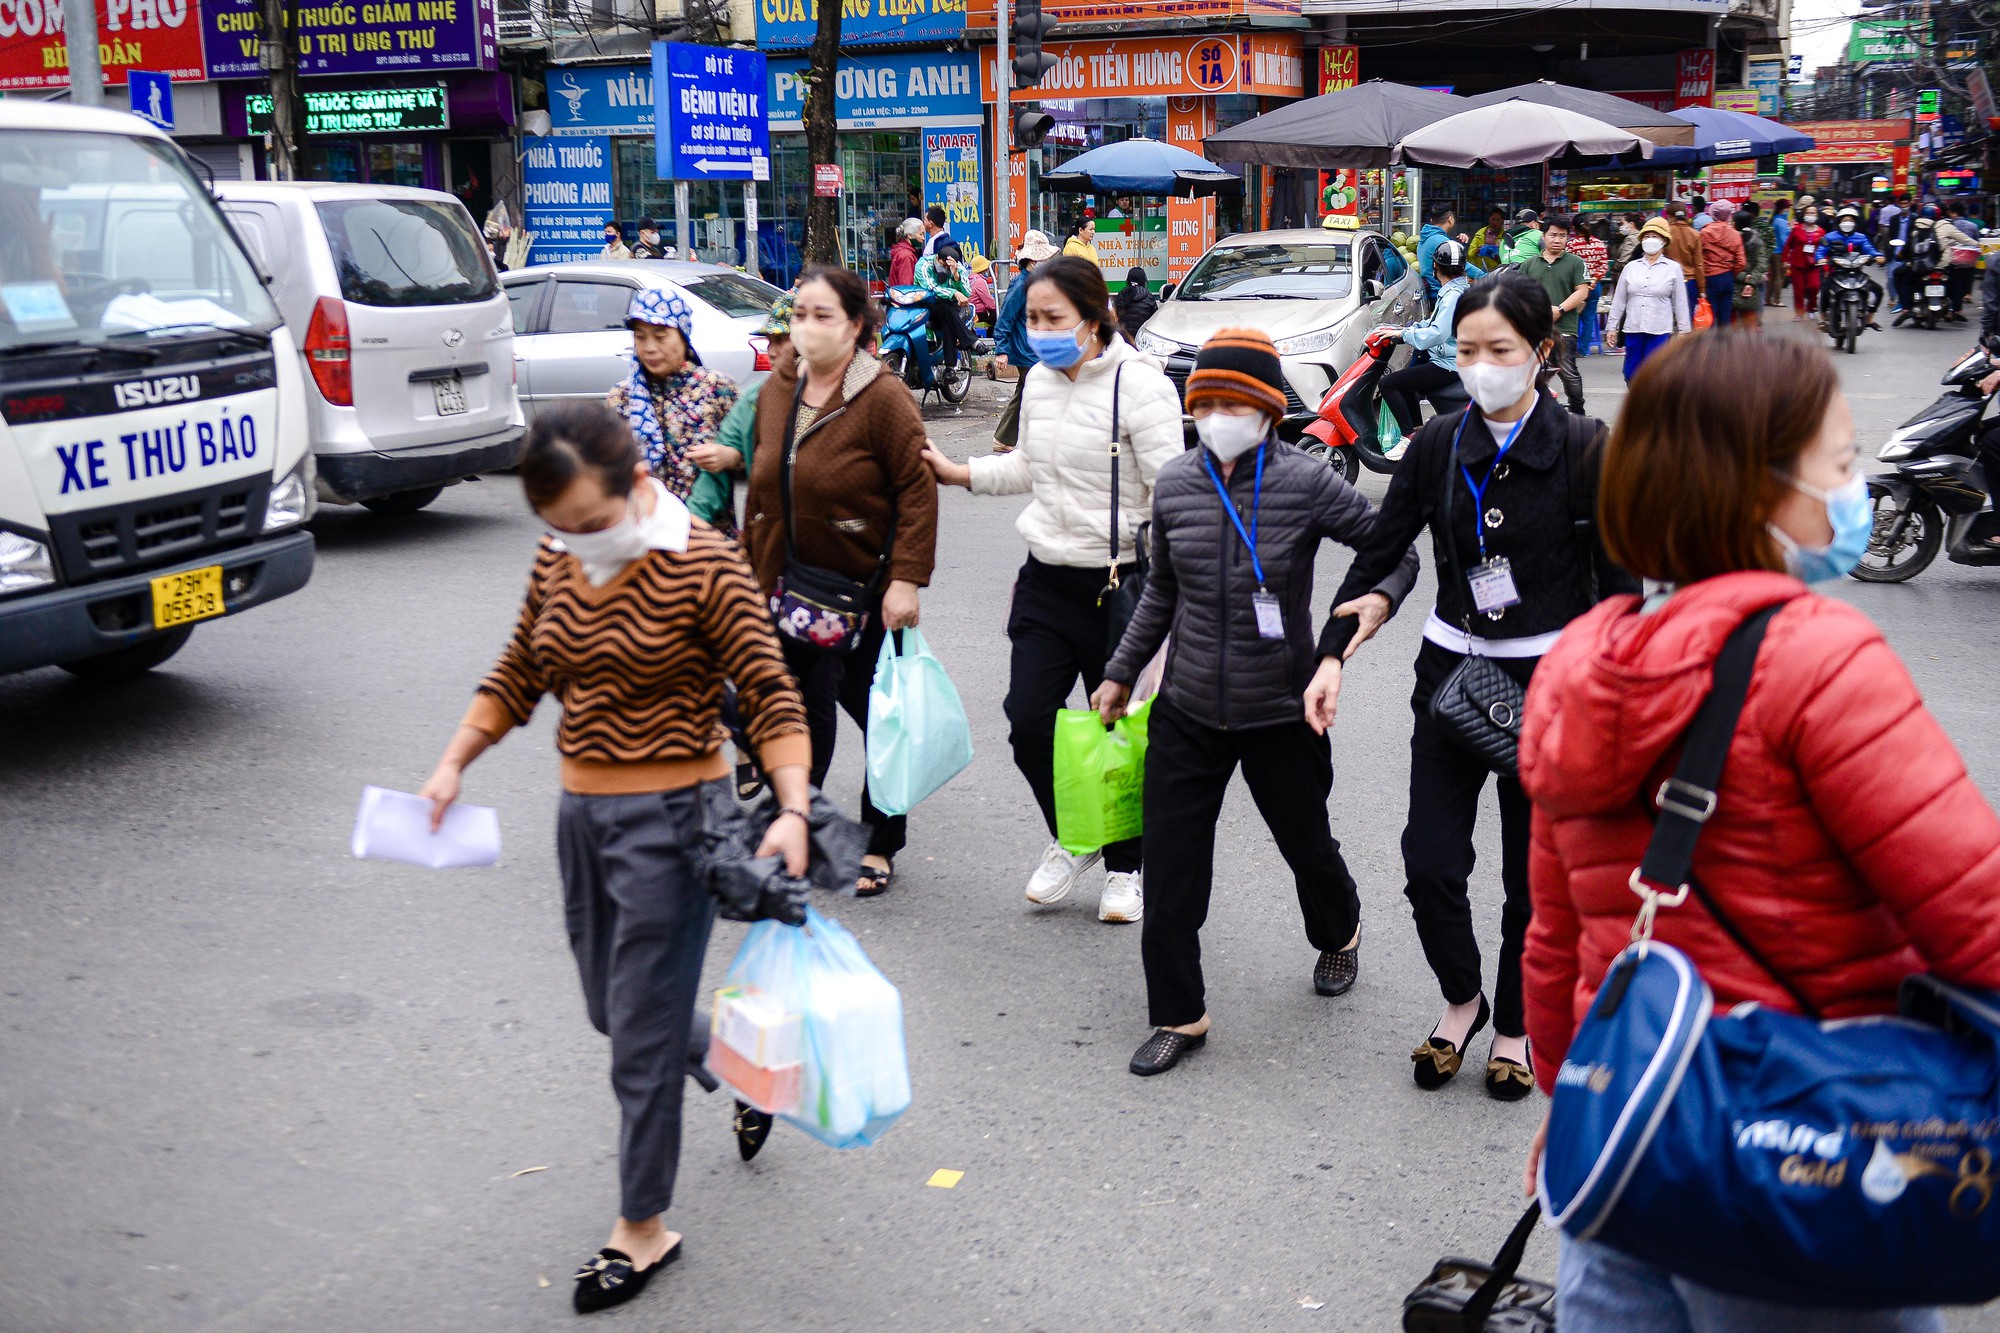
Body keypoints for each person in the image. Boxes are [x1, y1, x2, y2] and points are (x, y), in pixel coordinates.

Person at [1518, 329, 2000, 1333]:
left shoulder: (1578, 661)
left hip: (1632, 1152)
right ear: (1756, 490)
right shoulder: (1816, 653)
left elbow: (1557, 940)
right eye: (1837, 462)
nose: (1854, 486)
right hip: (1796, 1162)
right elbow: (1974, 914)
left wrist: (1573, 1108)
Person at [419, 401, 812, 1316]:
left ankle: (643, 1225)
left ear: (638, 487)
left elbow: (768, 689)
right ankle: (752, 1058)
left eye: (591, 524)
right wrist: (452, 762)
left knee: (637, 1036)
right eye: (558, 528)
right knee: (614, 1007)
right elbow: (519, 668)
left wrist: (792, 805)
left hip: (678, 820)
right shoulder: (562, 554)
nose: (574, 542)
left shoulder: (702, 560)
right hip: (582, 812)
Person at [1325, 271, 1635, 1101]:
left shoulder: (1584, 448)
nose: (1480, 366)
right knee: (1429, 862)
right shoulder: (1435, 446)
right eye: (1465, 350)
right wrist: (1337, 641)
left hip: (1554, 687)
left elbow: (1621, 586)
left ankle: (1513, 1024)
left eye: (1499, 350)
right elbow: (1385, 550)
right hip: (1452, 679)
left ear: (1540, 352)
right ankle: (1461, 1000)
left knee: (1531, 881)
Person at [1088, 327, 1419, 1077]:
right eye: (1209, 401)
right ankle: (1180, 1012)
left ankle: (1340, 931)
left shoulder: (1305, 481)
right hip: (1188, 708)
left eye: (1238, 401)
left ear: (1269, 409)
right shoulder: (1174, 483)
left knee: (1307, 847)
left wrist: (1367, 609)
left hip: (1282, 707)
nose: (1221, 414)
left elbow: (1392, 547)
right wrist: (1120, 672)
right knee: (1172, 869)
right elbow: (1161, 592)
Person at [921, 258, 1183, 924]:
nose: (1040, 332)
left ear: (1097, 319)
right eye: (1032, 319)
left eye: (1053, 319)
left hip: (1118, 582)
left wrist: (1178, 593)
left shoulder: (1141, 387)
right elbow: (1029, 467)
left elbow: (1172, 497)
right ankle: (1077, 833)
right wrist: (959, 472)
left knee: (1114, 730)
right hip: (1045, 575)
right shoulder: (1038, 380)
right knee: (1028, 719)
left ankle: (1127, 867)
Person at [743, 266, 938, 897]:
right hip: (785, 582)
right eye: (799, 314)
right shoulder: (776, 390)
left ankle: (880, 840)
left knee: (880, 718)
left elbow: (916, 488)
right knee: (789, 709)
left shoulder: (881, 397)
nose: (806, 327)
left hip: (863, 591)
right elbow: (763, 485)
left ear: (856, 326)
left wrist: (905, 580)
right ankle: (792, 825)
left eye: (823, 316)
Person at [606, 289, 740, 534]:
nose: (649, 348)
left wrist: (730, 457)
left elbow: (759, 454)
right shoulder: (622, 397)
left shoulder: (717, 389)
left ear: (683, 336)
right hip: (644, 536)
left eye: (660, 337)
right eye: (641, 337)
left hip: (707, 536)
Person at [704, 292, 794, 532]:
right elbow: (725, 451)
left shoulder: (843, 392)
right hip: (770, 534)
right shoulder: (755, 399)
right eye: (769, 341)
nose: (772, 352)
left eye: (782, 340)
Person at [1381, 240, 1469, 438]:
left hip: (1448, 364)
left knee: (1387, 383)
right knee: (1407, 381)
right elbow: (1433, 322)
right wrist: (1404, 330)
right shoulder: (1457, 290)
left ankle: (1408, 437)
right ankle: (1417, 432)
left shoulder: (1452, 295)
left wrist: (1404, 335)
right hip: (1455, 360)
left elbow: (1438, 332)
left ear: (1435, 266)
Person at [991, 229, 1059, 454]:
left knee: (1024, 393)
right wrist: (1001, 349)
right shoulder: (1021, 285)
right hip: (1025, 349)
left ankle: (1004, 438)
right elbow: (1005, 318)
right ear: (1034, 259)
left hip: (1033, 348)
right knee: (1041, 390)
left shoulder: (1034, 281)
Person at [1605, 217, 1692, 382]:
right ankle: (1638, 399)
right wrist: (1612, 327)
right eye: (1646, 236)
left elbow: (1680, 302)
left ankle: (1650, 404)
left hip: (1659, 329)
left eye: (1655, 236)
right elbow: (1619, 300)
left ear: (1664, 241)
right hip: (1633, 327)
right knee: (1630, 372)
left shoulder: (1673, 269)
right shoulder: (1631, 267)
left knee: (1655, 372)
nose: (1650, 240)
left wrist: (1683, 331)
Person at [1521, 217, 1591, 415]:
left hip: (1565, 329)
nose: (1557, 239)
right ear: (1543, 236)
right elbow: (1521, 293)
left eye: (1562, 236)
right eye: (1553, 235)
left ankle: (1578, 412)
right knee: (1532, 374)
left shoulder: (1575, 263)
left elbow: (1582, 292)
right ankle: (1534, 412)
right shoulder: (1529, 264)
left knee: (1568, 374)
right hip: (1534, 330)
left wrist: (1559, 310)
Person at [915, 241, 979, 376]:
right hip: (926, 305)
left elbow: (967, 292)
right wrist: (954, 292)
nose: (945, 268)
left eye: (948, 266)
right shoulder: (923, 264)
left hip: (948, 307)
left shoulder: (957, 267)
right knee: (946, 310)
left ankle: (949, 369)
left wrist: (956, 276)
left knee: (947, 314)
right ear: (937, 259)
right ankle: (972, 341)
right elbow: (930, 288)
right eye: (943, 265)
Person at [1818, 205, 1885, 331]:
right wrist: (1821, 258)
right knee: (1825, 292)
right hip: (1836, 272)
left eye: (1851, 220)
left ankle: (1869, 318)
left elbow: (1869, 249)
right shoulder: (1830, 237)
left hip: (1856, 271)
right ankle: (1823, 319)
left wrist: (1878, 256)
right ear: (1839, 222)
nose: (1847, 223)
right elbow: (1821, 250)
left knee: (1878, 290)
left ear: (1855, 223)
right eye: (1845, 220)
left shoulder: (1861, 237)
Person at [1697, 199, 1745, 329]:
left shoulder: (1704, 233)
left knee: (1710, 316)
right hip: (1727, 277)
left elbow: (1698, 258)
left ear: (1713, 214)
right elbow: (1741, 262)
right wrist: (1731, 271)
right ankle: (1724, 347)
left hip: (1710, 277)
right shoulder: (1735, 234)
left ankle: (1710, 346)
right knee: (1725, 317)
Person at [1568, 222, 1609, 355]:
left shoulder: (1572, 245)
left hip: (1576, 287)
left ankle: (1571, 347)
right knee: (1589, 318)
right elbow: (1603, 266)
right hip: (1594, 286)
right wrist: (1594, 279)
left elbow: (1567, 266)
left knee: (1572, 317)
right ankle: (1583, 350)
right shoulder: (1599, 244)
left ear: (1574, 228)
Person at [1783, 204, 1826, 318]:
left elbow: (1824, 248)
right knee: (1799, 290)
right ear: (1804, 215)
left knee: (1814, 286)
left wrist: (1825, 263)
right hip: (1797, 263)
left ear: (1817, 216)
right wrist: (1785, 259)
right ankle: (1799, 312)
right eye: (1808, 213)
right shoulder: (1797, 229)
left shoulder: (1821, 231)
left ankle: (1811, 307)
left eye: (1813, 213)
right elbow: (1788, 245)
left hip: (1814, 264)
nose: (1811, 215)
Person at [1941, 203, 1980, 322]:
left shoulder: (1949, 225)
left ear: (1954, 213)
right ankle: (1958, 309)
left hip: (1953, 260)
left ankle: (1950, 310)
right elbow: (1976, 242)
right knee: (1963, 284)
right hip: (1968, 261)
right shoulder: (1973, 226)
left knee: (1952, 285)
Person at [1664, 203, 1704, 318]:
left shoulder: (1665, 234)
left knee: (1668, 318)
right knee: (1687, 318)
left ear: (1669, 216)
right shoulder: (1695, 234)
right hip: (1690, 281)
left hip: (1668, 280)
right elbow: (1699, 264)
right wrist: (1702, 289)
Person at [1732, 201, 1767, 332]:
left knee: (1731, 325)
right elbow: (1762, 263)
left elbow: (1729, 264)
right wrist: (1751, 280)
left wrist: (1743, 277)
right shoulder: (1757, 240)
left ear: (1735, 224)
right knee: (1751, 323)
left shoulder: (1731, 240)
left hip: (1734, 284)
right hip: (1752, 287)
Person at [1418, 202, 1456, 303]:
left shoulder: (1426, 238)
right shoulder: (1440, 241)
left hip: (1429, 292)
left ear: (1431, 220)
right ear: (1450, 219)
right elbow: (1463, 265)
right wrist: (1484, 275)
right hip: (1439, 294)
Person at [1114, 265, 1157, 343]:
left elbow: (1116, 316)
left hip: (1124, 340)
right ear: (1144, 280)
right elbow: (1155, 319)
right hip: (1143, 340)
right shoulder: (1149, 297)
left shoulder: (1121, 294)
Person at [1766, 199, 1792, 307]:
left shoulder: (1775, 219)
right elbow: (1783, 239)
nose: (1789, 210)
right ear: (1783, 208)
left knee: (1773, 277)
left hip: (1773, 251)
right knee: (1779, 277)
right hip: (1779, 252)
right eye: (1787, 208)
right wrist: (1788, 250)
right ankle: (1777, 300)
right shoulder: (1781, 221)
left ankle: (1768, 299)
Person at [1469, 207, 1510, 274]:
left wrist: (1498, 256)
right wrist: (1477, 250)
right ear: (1489, 219)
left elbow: (1508, 257)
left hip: (1498, 272)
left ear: (1502, 221)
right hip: (1480, 271)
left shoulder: (1505, 237)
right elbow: (1470, 254)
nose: (1495, 222)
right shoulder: (1480, 234)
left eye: (1498, 220)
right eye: (1493, 219)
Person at [967, 252, 999, 328]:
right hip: (978, 313)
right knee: (1000, 316)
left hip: (971, 311)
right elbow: (990, 304)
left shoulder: (971, 279)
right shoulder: (980, 281)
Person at [887, 218, 921, 288]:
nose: (923, 238)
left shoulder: (903, 252)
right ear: (910, 235)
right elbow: (906, 287)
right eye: (921, 234)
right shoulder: (906, 255)